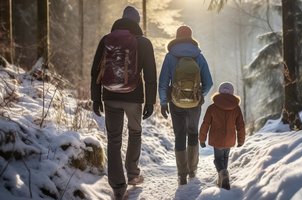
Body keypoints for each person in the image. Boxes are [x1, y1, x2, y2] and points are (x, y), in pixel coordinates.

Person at [90, 6, 157, 200]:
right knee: (135, 132)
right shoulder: (143, 43)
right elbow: (150, 74)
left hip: (110, 96)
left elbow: (96, 71)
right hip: (134, 97)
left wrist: (96, 97)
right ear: (136, 22)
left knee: (114, 139)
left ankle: (118, 189)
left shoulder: (106, 39)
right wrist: (150, 102)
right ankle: (133, 175)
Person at [159, 25, 213, 185]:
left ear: (177, 37)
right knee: (193, 133)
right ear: (191, 37)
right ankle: (192, 170)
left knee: (180, 135)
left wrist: (163, 102)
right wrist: (199, 95)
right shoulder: (199, 56)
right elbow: (209, 83)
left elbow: (162, 83)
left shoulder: (170, 57)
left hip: (175, 103)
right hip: (194, 104)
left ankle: (182, 174)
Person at [199, 82, 246, 190]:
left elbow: (205, 123)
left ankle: (223, 175)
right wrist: (241, 140)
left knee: (218, 159)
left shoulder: (212, 107)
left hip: (217, 139)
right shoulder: (236, 108)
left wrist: (202, 139)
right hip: (230, 139)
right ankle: (223, 179)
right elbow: (240, 125)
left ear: (219, 92)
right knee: (225, 158)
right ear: (232, 93)